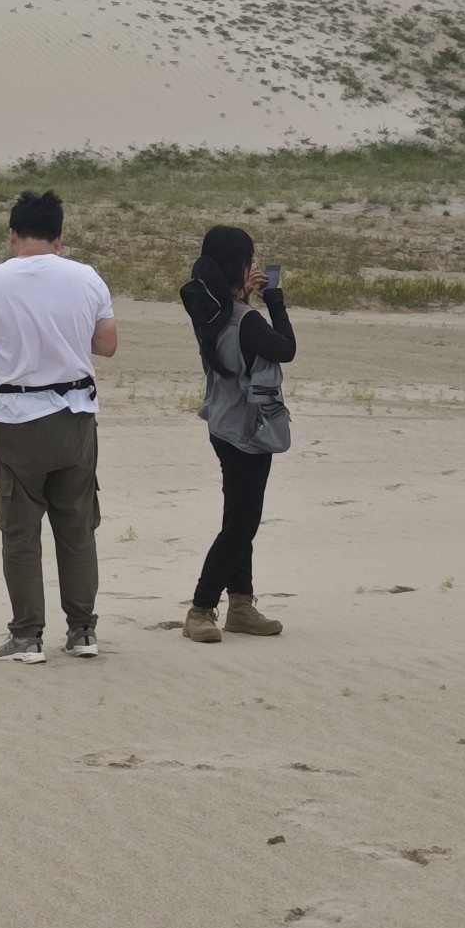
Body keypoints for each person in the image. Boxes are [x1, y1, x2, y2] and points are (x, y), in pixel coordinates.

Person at [0, 189, 117, 662]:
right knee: (77, 525)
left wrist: (7, 339)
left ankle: (27, 635)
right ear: (59, 238)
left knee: (21, 530)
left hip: (18, 418)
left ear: (12, 235)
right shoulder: (86, 277)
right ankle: (82, 630)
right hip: (75, 414)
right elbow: (106, 344)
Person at [177, 225, 296, 642]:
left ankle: (241, 605)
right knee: (241, 526)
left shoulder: (207, 309)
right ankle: (200, 609)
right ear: (241, 265)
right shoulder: (246, 320)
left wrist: (243, 297)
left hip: (223, 423)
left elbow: (233, 331)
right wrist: (274, 300)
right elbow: (286, 348)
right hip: (250, 429)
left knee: (239, 517)